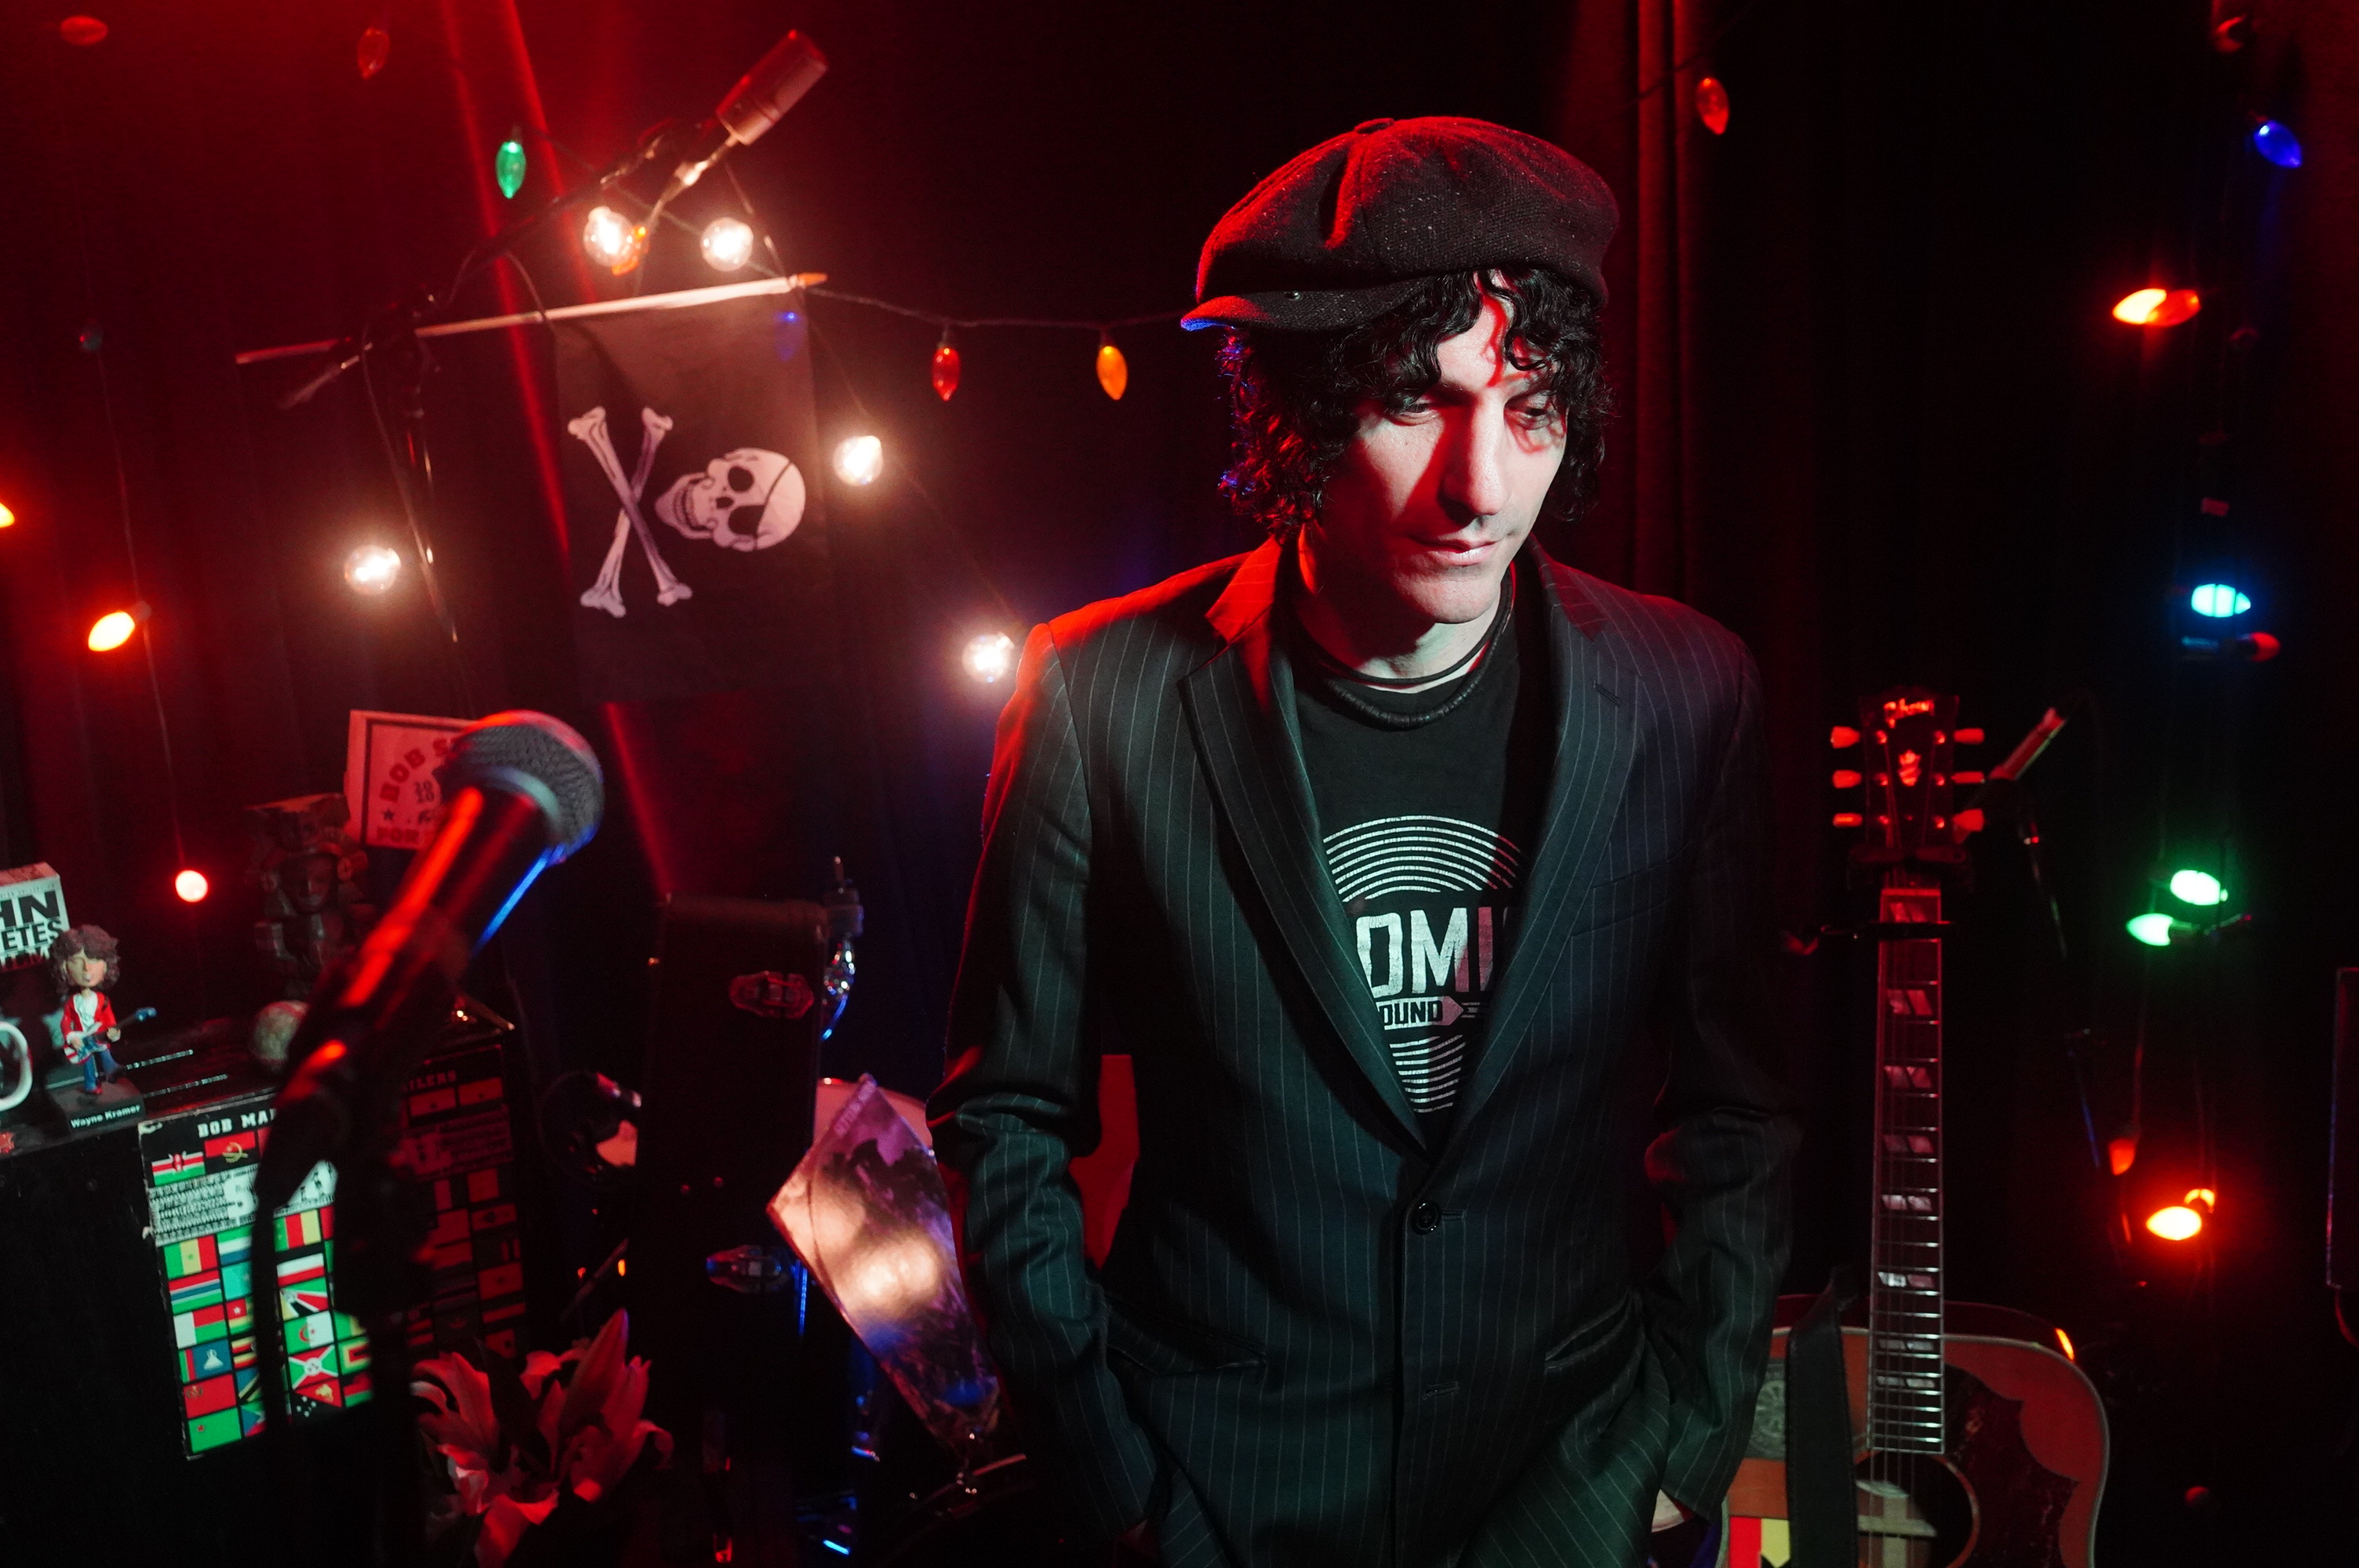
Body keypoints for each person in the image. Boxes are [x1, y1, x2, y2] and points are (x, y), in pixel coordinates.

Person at [932, 117, 1797, 1568]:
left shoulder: (1686, 690)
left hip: (1570, 1486)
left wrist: (1682, 1446)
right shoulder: (1096, 693)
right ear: (1297, 416)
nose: (1482, 485)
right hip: (1221, 1494)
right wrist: (1119, 1487)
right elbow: (1005, 1118)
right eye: (1416, 403)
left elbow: (1738, 1115)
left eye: (1530, 406)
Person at [51, 924, 125, 1094]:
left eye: (93, 960)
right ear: (64, 967)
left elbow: (109, 1019)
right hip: (82, 1039)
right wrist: (71, 1036)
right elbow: (66, 1021)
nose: (87, 968)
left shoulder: (102, 1000)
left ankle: (111, 1071)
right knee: (88, 1063)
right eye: (77, 961)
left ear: (106, 965)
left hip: (98, 1036)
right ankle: (91, 1084)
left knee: (104, 1050)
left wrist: (114, 1032)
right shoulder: (72, 1002)